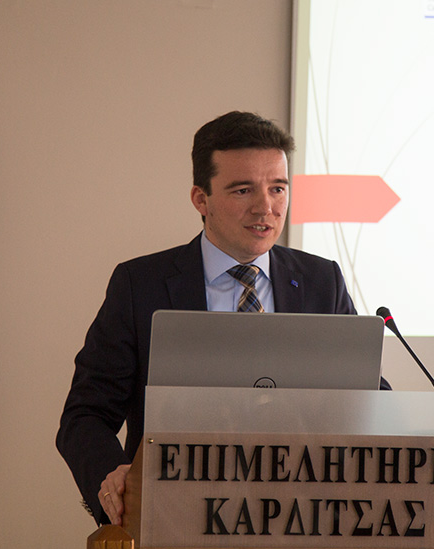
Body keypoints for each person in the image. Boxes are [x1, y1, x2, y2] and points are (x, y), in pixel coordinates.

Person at [56, 111, 371, 527]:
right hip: (175, 518)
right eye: (243, 190)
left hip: (304, 518)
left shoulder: (321, 281)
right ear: (200, 199)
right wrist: (113, 478)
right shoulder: (141, 285)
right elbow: (85, 416)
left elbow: (366, 398)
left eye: (278, 188)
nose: (265, 207)